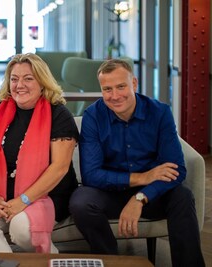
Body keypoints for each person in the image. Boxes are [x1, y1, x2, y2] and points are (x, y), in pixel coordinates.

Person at [69, 59, 205, 266]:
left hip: (152, 193)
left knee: (182, 197)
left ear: (134, 83)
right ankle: (111, 262)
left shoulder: (160, 113)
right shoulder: (93, 116)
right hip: (110, 191)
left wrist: (140, 197)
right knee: (81, 201)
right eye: (107, 89)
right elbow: (91, 175)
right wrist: (143, 177)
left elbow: (176, 169)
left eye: (121, 86)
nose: (115, 96)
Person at [0, 53, 79, 253]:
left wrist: (23, 200)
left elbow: (59, 167)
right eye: (14, 79)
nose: (20, 85)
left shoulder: (58, 114)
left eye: (28, 78)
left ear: (42, 82)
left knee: (21, 228)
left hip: (46, 196)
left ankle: (52, 258)